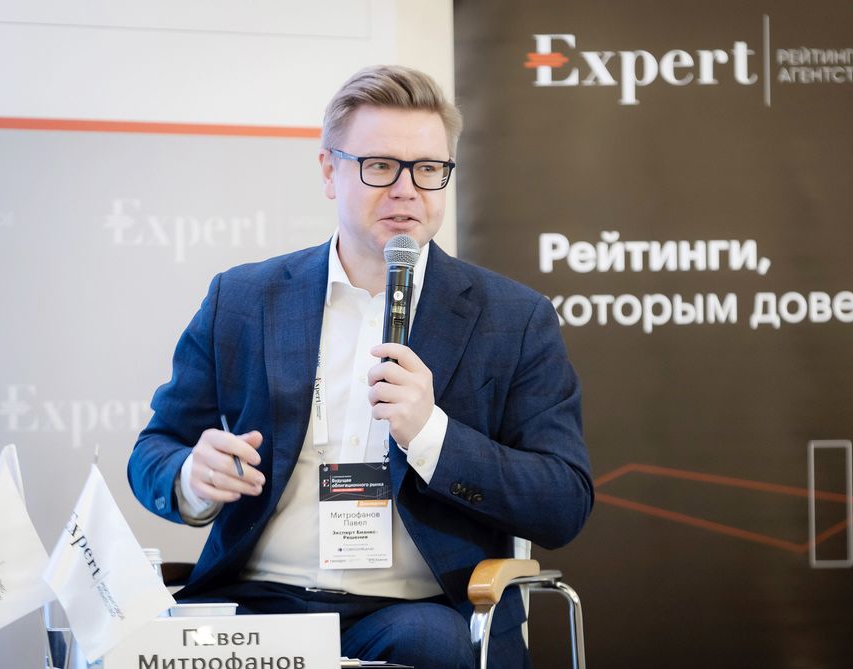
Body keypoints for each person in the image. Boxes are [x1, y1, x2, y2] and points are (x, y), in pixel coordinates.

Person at [128, 65, 592, 668]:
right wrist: (192, 477)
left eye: (428, 169)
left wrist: (432, 435)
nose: (406, 190)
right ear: (329, 171)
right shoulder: (244, 299)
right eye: (380, 166)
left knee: (433, 645)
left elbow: (562, 502)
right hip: (259, 602)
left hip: (416, 612)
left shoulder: (513, 318)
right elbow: (155, 448)